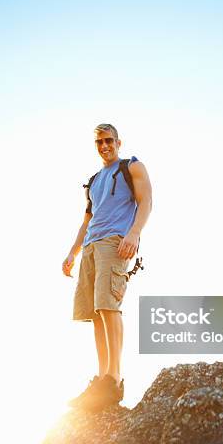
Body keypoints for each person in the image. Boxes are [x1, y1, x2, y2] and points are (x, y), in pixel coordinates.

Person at [62, 123, 152, 411]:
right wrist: (72, 253)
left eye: (108, 140)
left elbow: (146, 201)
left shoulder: (132, 167)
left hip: (114, 242)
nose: (104, 146)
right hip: (90, 246)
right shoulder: (93, 180)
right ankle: (102, 378)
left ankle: (114, 379)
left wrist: (134, 233)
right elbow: (86, 221)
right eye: (99, 142)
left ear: (118, 141)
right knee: (96, 312)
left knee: (108, 306)